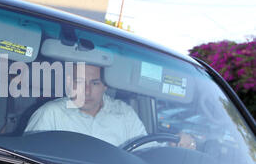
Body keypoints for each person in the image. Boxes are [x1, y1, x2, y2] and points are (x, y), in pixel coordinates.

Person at [25, 63, 195, 149]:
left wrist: (174, 145)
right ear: (69, 84)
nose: (87, 91)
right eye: (80, 82)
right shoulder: (51, 113)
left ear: (106, 86)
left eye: (95, 83)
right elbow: (29, 161)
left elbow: (146, 153)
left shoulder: (125, 114)